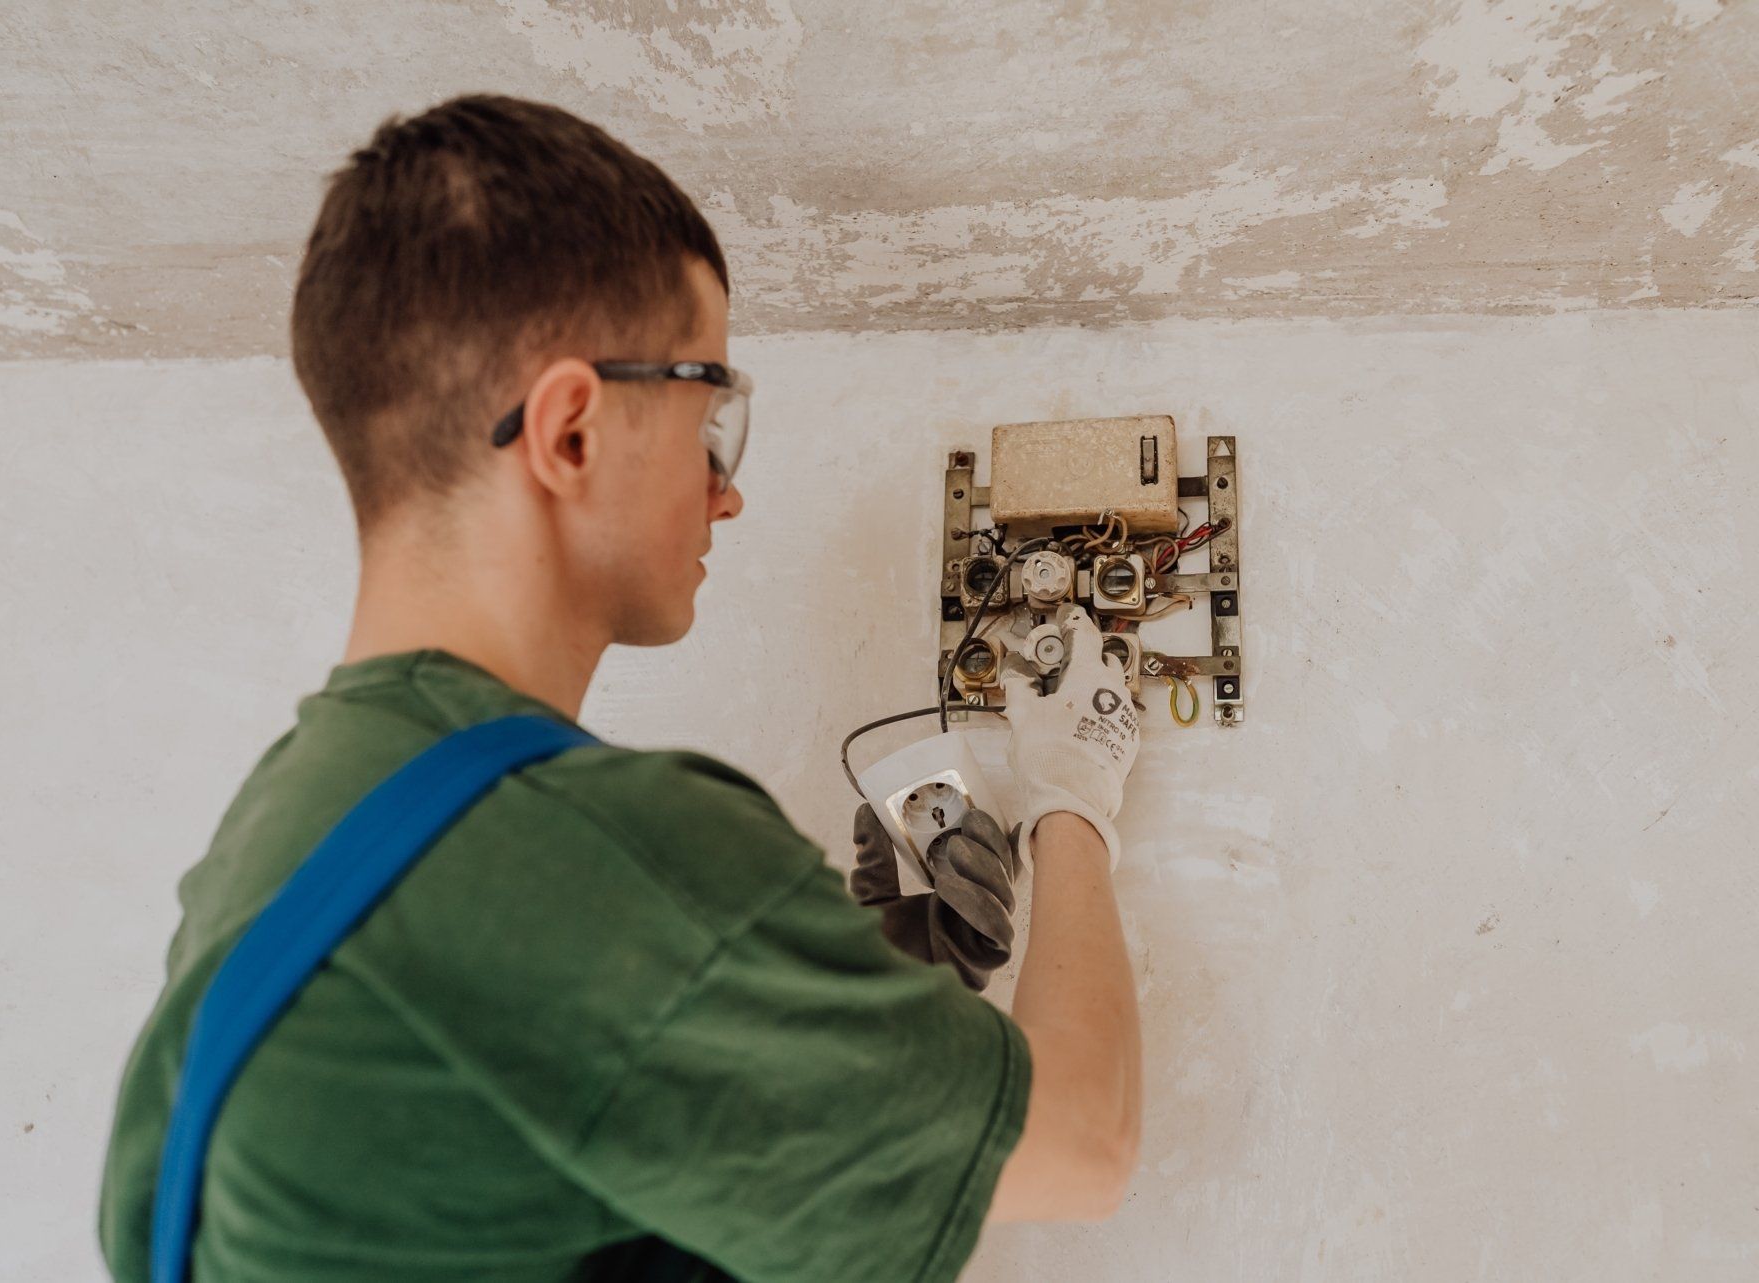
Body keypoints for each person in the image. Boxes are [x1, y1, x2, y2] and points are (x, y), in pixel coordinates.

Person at [98, 93, 1141, 1283]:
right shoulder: (595, 846)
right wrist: (1073, 802)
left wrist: (869, 984)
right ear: (573, 432)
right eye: (709, 421)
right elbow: (1084, 1143)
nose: (725, 491)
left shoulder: (279, 831)